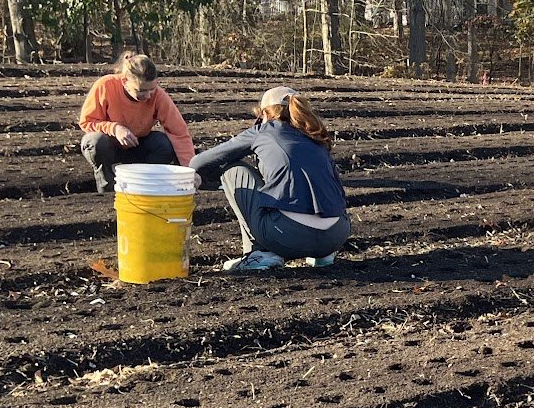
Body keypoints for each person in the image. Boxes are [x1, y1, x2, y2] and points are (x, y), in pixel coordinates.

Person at [191, 86, 351, 272]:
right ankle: (322, 256)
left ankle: (258, 254)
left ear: (266, 114)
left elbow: (199, 161)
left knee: (233, 171)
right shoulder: (316, 138)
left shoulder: (263, 131)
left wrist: (201, 179)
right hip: (336, 236)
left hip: (287, 236)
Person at [77, 53, 194, 192]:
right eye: (142, 91)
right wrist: (114, 128)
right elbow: (87, 121)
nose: (148, 95)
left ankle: (143, 185)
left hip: (137, 145)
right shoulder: (106, 86)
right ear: (125, 81)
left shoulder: (158, 96)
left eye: (152, 89)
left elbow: (179, 132)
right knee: (95, 142)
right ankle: (106, 188)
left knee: (163, 143)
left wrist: (190, 173)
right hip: (109, 147)